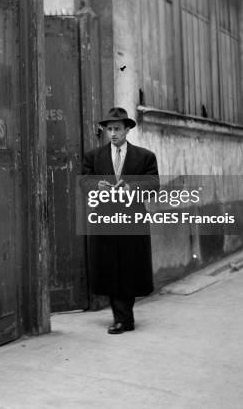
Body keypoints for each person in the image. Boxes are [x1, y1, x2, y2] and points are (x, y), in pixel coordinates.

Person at [82, 106, 158, 334]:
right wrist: (97, 185)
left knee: (130, 268)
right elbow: (84, 182)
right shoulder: (93, 157)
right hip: (105, 220)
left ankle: (124, 318)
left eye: (117, 129)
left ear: (127, 130)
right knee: (111, 268)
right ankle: (123, 318)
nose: (113, 133)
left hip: (132, 219)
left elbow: (153, 184)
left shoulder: (145, 157)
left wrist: (131, 187)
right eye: (109, 129)